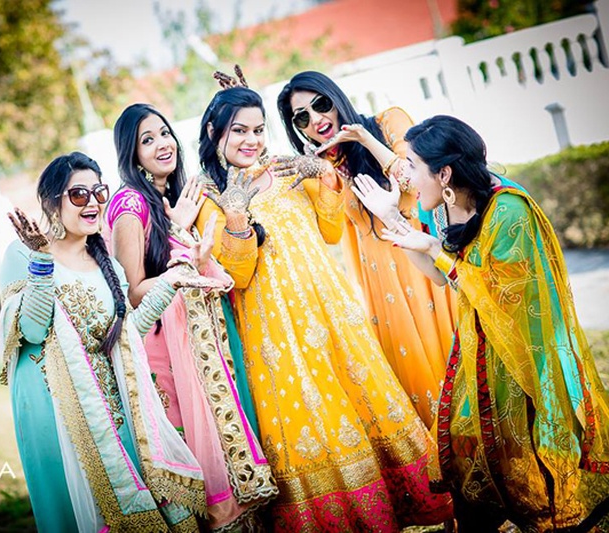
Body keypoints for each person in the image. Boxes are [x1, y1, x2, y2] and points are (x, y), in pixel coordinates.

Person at [193, 78, 453, 531]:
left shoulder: (288, 169)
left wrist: (322, 175)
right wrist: (236, 215)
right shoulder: (210, 197)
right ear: (216, 133)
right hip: (276, 332)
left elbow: (331, 229)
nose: (251, 140)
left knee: (364, 403)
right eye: (239, 131)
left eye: (258, 129)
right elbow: (237, 275)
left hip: (331, 313)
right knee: (313, 422)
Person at [351, 115, 609, 532]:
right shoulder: (449, 203)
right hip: (480, 350)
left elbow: (505, 297)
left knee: (533, 471)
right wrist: (393, 221)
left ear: (445, 172)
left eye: (414, 166)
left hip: (525, 358)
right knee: (473, 459)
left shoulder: (509, 210)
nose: (409, 178)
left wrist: (436, 250)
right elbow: (441, 273)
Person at [0, 151, 223, 532]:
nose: (93, 203)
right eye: (79, 195)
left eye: (99, 192)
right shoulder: (22, 254)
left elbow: (128, 334)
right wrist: (40, 262)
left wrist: (173, 280)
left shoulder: (107, 265)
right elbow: (33, 332)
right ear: (52, 201)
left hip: (119, 408)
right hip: (64, 416)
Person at [106, 104, 277, 530]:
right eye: (147, 140)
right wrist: (180, 244)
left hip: (202, 340)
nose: (162, 144)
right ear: (131, 153)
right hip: (166, 349)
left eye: (164, 134)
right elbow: (132, 292)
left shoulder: (176, 195)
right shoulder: (131, 205)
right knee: (197, 453)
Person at [275, 71, 455, 429]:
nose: (317, 119)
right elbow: (317, 227)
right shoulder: (322, 167)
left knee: (453, 355)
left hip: (426, 255)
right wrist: (322, 173)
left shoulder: (389, 122)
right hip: (381, 283)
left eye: (321, 105)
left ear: (336, 97)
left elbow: (414, 181)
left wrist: (364, 139)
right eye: (302, 117)